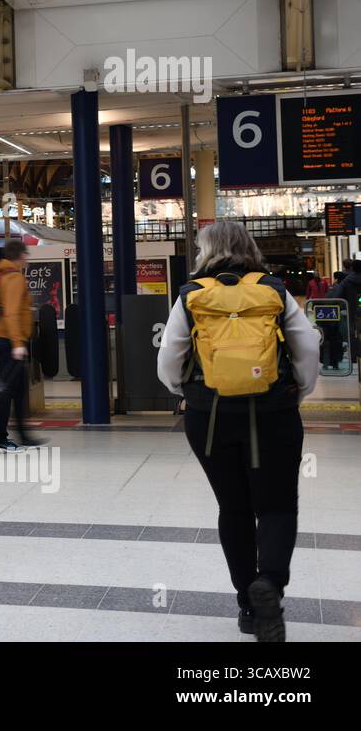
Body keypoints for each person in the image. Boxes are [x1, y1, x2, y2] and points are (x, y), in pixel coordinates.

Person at [158, 221, 320, 643]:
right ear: (249, 247)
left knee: (233, 507)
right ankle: (270, 583)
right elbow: (307, 348)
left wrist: (188, 393)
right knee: (277, 505)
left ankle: (248, 605)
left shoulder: (192, 293)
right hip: (274, 413)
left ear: (205, 250)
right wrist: (297, 392)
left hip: (210, 417)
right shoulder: (273, 289)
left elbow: (169, 358)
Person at [0, 239, 39, 451]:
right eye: (25, 255)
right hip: (9, 341)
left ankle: (23, 436)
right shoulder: (14, 277)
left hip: (5, 338)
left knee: (18, 391)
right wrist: (18, 344)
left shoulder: (0, 274)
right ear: (19, 256)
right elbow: (11, 312)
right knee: (6, 391)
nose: (27, 258)